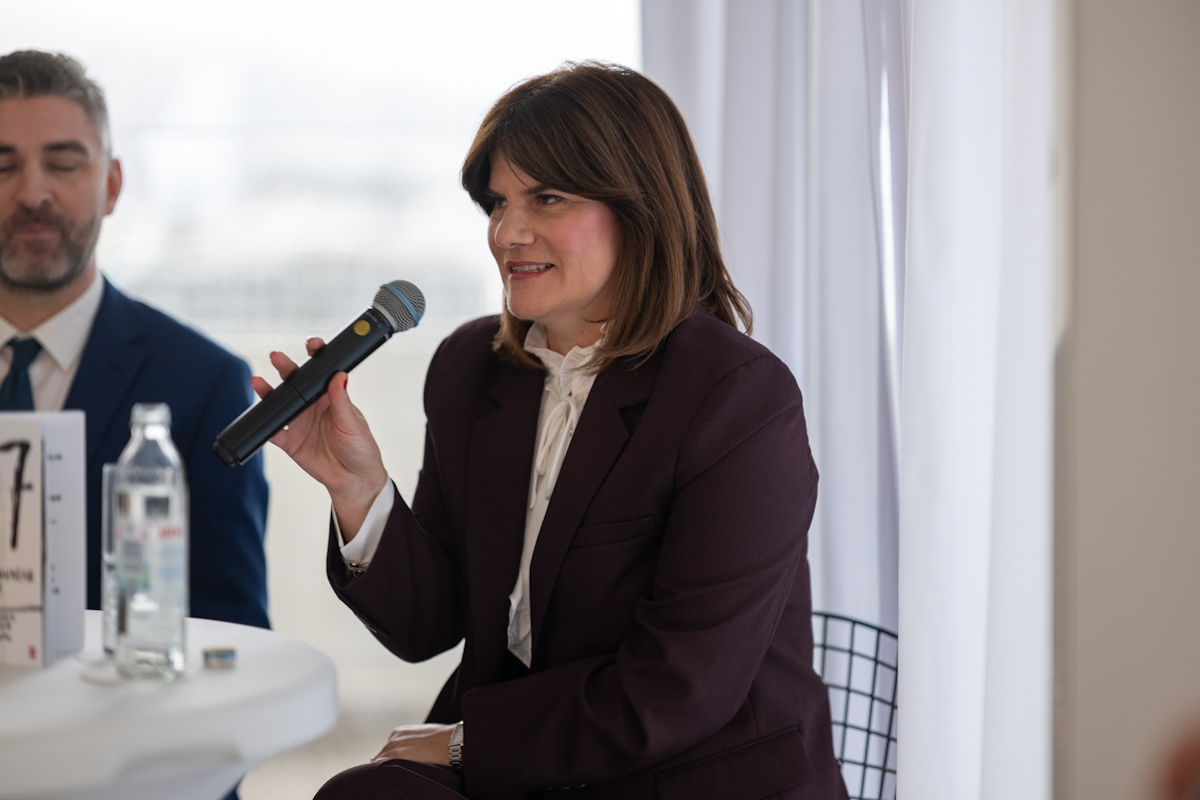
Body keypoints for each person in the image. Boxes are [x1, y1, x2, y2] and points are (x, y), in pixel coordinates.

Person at [258, 62, 844, 798]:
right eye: (498, 203)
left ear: (641, 208)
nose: (508, 232)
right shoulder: (472, 369)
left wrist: (470, 744)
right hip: (533, 763)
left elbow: (680, 689)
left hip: (683, 772)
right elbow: (429, 624)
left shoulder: (738, 398)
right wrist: (358, 488)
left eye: (548, 198)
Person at [0, 51, 269, 629]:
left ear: (112, 185)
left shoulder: (206, 386)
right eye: (2, 167)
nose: (32, 193)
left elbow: (234, 634)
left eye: (63, 164)